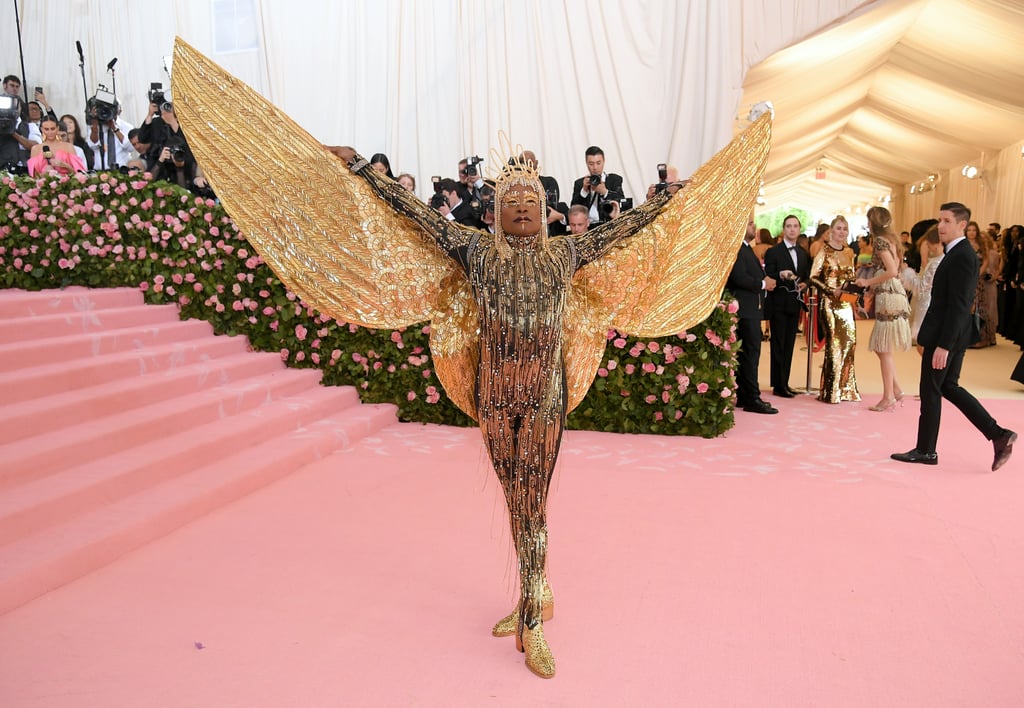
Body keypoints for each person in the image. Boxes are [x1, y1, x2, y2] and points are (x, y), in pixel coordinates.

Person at [172, 35, 771, 680]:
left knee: (534, 500)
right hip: (493, 389)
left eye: (530, 204)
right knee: (515, 498)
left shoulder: (562, 256)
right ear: (495, 211)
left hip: (543, 391)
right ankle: (530, 592)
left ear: (542, 211)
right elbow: (409, 214)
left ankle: (535, 621)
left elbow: (626, 230)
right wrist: (364, 169)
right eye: (510, 203)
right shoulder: (475, 253)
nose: (520, 209)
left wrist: (677, 198)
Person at [891, 202, 1016, 470]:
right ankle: (998, 434)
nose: (940, 226)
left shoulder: (961, 256)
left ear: (962, 225)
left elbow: (960, 304)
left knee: (931, 390)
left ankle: (926, 451)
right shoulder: (957, 253)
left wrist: (944, 346)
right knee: (948, 387)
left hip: (945, 337)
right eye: (940, 220)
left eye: (946, 221)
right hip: (950, 334)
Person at [855, 206, 911, 411]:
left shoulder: (879, 241)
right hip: (890, 293)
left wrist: (868, 282)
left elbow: (892, 270)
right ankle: (895, 390)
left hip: (889, 294)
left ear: (873, 222)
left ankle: (889, 396)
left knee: (883, 347)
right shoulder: (891, 239)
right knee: (882, 347)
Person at [727, 217, 777, 413]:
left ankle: (744, 394)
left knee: (746, 354)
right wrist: (763, 284)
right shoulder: (738, 248)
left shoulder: (745, 248)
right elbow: (739, 278)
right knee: (750, 354)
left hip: (749, 308)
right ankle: (752, 398)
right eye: (748, 222)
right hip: (745, 310)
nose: (753, 226)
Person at [809, 215, 859, 403]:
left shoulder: (849, 253)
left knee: (850, 343)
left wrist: (856, 294)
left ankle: (845, 388)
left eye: (845, 229)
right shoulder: (824, 251)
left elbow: (851, 278)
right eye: (838, 228)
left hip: (846, 303)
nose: (841, 232)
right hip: (829, 303)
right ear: (831, 231)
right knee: (834, 345)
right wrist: (831, 291)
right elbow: (813, 277)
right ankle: (830, 391)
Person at [763, 214, 810, 397]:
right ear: (783, 229)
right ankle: (778, 384)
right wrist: (780, 275)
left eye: (795, 226)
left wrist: (805, 284)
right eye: (788, 226)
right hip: (778, 304)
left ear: (799, 229)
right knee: (778, 344)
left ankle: (785, 382)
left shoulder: (802, 253)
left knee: (790, 344)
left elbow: (806, 275)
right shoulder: (774, 251)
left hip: (794, 304)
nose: (792, 229)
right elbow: (768, 273)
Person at [903, 224, 942, 353]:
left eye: (929, 244)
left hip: (926, 302)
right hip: (928, 299)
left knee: (923, 341)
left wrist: (907, 272)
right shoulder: (940, 260)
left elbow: (921, 287)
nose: (927, 247)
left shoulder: (935, 264)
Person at [570, 145, 625, 225]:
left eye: (598, 163)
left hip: (608, 225)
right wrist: (584, 191)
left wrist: (605, 192)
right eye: (591, 164)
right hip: (587, 228)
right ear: (586, 163)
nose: (595, 167)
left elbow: (622, 203)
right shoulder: (580, 183)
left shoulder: (614, 180)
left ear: (604, 161)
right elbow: (573, 210)